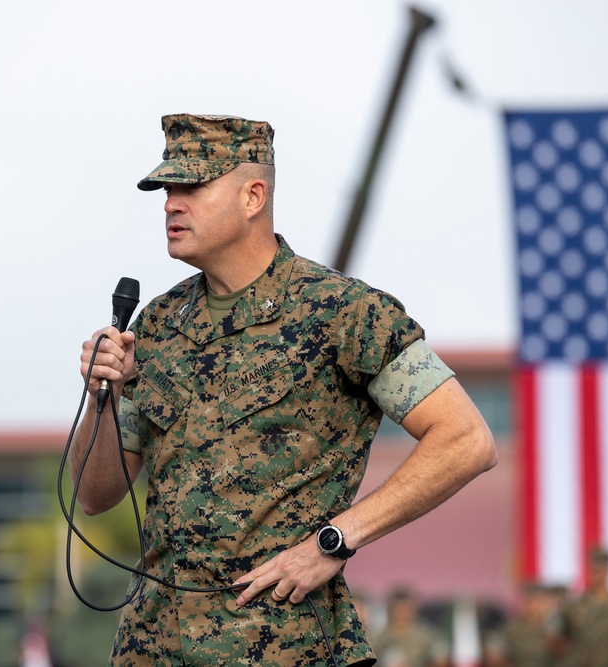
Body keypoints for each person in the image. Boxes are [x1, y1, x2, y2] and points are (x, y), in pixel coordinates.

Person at [70, 113, 497, 666]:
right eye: (167, 189)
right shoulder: (156, 325)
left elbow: (466, 439)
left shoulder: (344, 312)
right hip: (155, 647)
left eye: (193, 186)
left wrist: (337, 539)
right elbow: (96, 494)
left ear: (253, 196)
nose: (172, 203)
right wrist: (102, 398)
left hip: (281, 646)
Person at [369, 587, 449, 667]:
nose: (401, 615)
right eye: (397, 611)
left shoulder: (426, 635)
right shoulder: (379, 638)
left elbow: (440, 654)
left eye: (405, 610)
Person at [484, 582, 558, 667]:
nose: (538, 607)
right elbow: (494, 656)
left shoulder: (557, 629)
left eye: (542, 602)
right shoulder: (510, 629)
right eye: (533, 602)